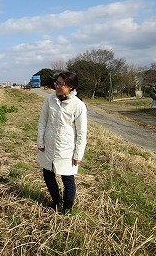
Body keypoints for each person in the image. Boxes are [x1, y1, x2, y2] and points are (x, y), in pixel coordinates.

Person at [37, 71, 87, 214]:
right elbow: (43, 121)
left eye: (61, 84)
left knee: (67, 178)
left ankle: (68, 207)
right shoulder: (50, 99)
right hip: (49, 144)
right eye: (56, 83)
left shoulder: (78, 105)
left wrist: (78, 155)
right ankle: (56, 200)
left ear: (70, 86)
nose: (57, 86)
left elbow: (82, 133)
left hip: (66, 148)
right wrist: (40, 142)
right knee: (48, 174)